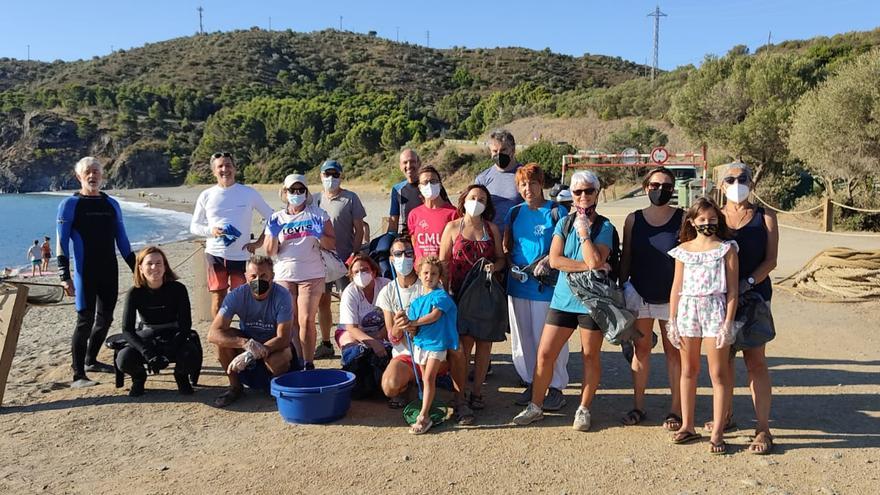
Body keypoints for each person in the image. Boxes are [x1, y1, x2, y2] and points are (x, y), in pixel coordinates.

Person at [512, 171, 615, 431]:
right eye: (577, 192)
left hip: (591, 302)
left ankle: (584, 408)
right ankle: (536, 406)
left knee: (589, 356)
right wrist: (588, 265)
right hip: (562, 298)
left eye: (588, 191)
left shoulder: (605, 227)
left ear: (597, 193)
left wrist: (584, 234)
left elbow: (595, 259)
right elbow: (556, 260)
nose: (582, 196)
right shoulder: (563, 224)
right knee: (545, 353)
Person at [666, 197, 739, 455]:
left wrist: (728, 322)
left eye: (711, 219)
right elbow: (676, 286)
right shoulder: (683, 250)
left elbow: (732, 289)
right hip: (687, 311)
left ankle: (718, 430)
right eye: (702, 219)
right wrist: (672, 320)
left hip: (714, 309)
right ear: (692, 221)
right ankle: (688, 424)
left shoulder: (727, 249)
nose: (707, 223)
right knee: (689, 369)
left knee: (718, 372)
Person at [57, 156, 136, 388]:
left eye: (96, 172)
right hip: (84, 272)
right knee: (84, 320)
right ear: (79, 176)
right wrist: (65, 276)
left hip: (109, 270)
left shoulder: (111, 204)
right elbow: (62, 242)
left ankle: (91, 360)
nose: (92, 176)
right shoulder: (70, 205)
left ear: (102, 176)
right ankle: (78, 374)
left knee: (106, 319)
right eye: (87, 172)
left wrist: (137, 269)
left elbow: (123, 241)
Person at [377, 236, 474, 424]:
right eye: (398, 254)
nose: (403, 258)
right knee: (389, 387)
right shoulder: (387, 292)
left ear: (414, 257)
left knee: (457, 349)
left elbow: (440, 317)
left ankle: (460, 400)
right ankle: (412, 388)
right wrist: (401, 324)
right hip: (406, 354)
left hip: (434, 346)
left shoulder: (429, 284)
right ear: (391, 259)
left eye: (408, 253)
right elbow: (393, 337)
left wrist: (413, 323)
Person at [717, 161, 778, 454]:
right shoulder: (713, 217)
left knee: (755, 361)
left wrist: (749, 281)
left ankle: (763, 428)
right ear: (720, 185)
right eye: (730, 178)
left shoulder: (765, 217)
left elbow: (771, 260)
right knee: (723, 360)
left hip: (755, 298)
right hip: (718, 299)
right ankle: (725, 416)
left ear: (752, 183)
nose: (736, 183)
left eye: (742, 178)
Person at [618, 167, 684, 428]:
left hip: (673, 297)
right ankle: (638, 406)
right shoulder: (633, 219)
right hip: (640, 295)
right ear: (646, 187)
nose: (660, 190)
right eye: (655, 185)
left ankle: (676, 410)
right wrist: (621, 290)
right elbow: (627, 258)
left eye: (666, 185)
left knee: (674, 354)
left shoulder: (683, 218)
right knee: (641, 351)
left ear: (673, 189)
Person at [503, 164, 569, 411]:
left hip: (546, 288)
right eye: (522, 184)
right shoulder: (514, 213)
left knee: (548, 340)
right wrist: (511, 266)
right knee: (524, 338)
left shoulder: (557, 211)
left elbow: (564, 246)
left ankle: (555, 386)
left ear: (541, 184)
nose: (527, 189)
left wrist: (546, 262)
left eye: (532, 183)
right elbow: (508, 246)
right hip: (518, 286)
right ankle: (532, 382)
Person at [439, 184, 505, 410]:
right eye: (473, 197)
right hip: (459, 294)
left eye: (482, 199)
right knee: (463, 346)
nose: (476, 202)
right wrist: (444, 292)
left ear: (487, 205)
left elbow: (501, 258)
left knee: (484, 345)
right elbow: (444, 264)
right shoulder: (451, 228)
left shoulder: (492, 229)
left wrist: (493, 268)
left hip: (485, 296)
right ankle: (461, 394)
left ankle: (477, 392)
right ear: (464, 199)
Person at [264, 173, 336, 370]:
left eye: (300, 190)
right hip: (284, 273)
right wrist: (274, 234)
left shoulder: (318, 215)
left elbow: (331, 244)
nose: (296, 194)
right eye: (292, 190)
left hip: (312, 273)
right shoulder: (276, 218)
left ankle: (308, 361)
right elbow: (270, 252)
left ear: (306, 192)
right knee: (292, 319)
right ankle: (298, 358)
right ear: (285, 193)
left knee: (306, 318)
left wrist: (319, 234)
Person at [190, 152, 274, 317]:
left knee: (243, 298)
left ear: (235, 169)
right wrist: (211, 231)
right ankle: (219, 337)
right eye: (220, 166)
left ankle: (243, 334)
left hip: (241, 256)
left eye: (228, 165)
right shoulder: (206, 195)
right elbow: (194, 226)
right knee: (218, 298)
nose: (224, 169)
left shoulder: (248, 193)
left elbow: (272, 218)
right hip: (215, 254)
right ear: (214, 171)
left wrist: (258, 243)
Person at [207, 255, 293, 408]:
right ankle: (235, 387)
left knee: (277, 359)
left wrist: (255, 352)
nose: (258, 280)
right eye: (253, 276)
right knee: (221, 343)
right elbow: (213, 334)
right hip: (248, 338)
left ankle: (275, 386)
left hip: (274, 344)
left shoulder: (283, 296)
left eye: (263, 276)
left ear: (272, 277)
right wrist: (244, 343)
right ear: (246, 277)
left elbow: (284, 337)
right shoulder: (236, 295)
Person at [116, 246, 201, 397]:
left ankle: (181, 377)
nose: (154, 267)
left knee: (191, 353)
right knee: (123, 358)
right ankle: (139, 378)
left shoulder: (178, 289)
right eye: (149, 264)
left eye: (159, 263)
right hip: (147, 335)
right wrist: (147, 354)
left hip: (173, 334)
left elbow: (185, 325)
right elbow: (127, 330)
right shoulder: (134, 293)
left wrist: (169, 352)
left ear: (165, 267)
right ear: (140, 268)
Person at [316, 160, 366, 360]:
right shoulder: (316, 199)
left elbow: (360, 228)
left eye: (335, 174)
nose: (331, 178)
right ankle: (326, 343)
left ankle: (354, 339)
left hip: (346, 260)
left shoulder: (350, 198)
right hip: (322, 261)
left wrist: (354, 257)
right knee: (323, 302)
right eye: (327, 174)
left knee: (352, 301)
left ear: (341, 176)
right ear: (320, 176)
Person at [403, 256, 460, 434]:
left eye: (434, 273)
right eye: (426, 273)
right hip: (421, 344)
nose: (429, 276)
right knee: (425, 379)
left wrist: (413, 322)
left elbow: (435, 316)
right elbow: (411, 329)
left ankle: (423, 416)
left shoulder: (441, 296)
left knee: (429, 378)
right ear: (419, 275)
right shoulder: (416, 302)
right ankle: (426, 408)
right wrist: (406, 324)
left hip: (437, 344)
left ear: (439, 276)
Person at [335, 254, 391, 357]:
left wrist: (379, 336)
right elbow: (351, 328)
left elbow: (394, 316)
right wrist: (373, 342)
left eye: (365, 270)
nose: (361, 274)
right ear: (351, 276)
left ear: (373, 272)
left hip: (383, 330)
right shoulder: (349, 293)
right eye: (356, 272)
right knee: (351, 347)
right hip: (353, 331)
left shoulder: (386, 285)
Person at [475, 129, 523, 231]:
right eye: (495, 151)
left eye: (503, 150)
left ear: (513, 150)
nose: (499, 154)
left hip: (519, 239)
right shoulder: (482, 179)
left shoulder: (525, 175)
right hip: (490, 239)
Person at [407, 166, 458, 261]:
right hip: (421, 272)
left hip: (444, 271)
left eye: (433, 181)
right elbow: (415, 244)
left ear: (440, 185)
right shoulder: (414, 214)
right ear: (420, 187)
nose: (429, 185)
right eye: (425, 182)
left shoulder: (453, 213)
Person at [388, 148, 424, 235]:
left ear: (419, 164)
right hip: (406, 236)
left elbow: (446, 211)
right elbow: (393, 222)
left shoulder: (430, 186)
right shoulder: (397, 189)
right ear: (400, 166)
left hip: (428, 236)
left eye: (412, 161)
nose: (409, 165)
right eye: (405, 162)